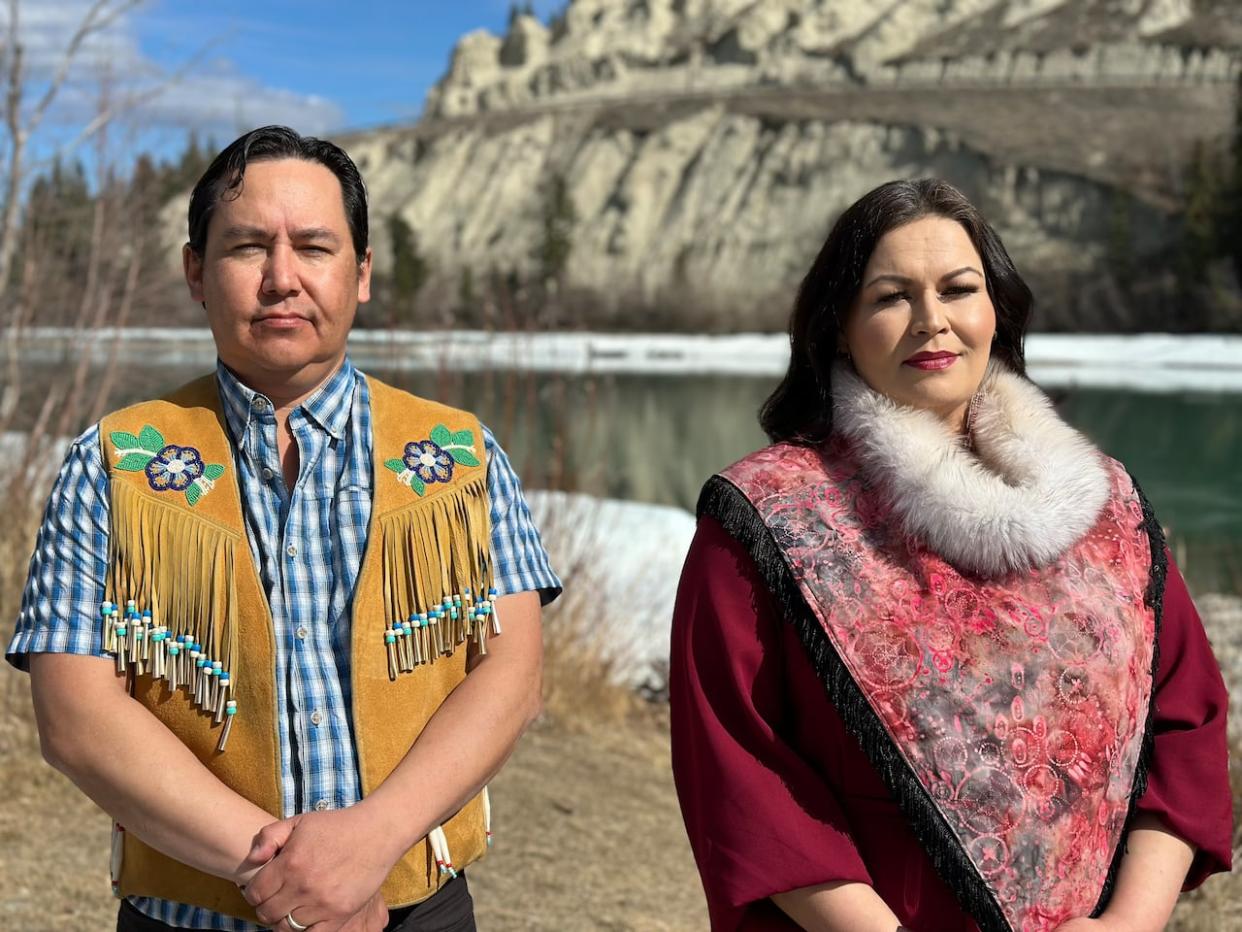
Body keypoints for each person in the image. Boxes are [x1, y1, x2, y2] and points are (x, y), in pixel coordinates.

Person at [7, 125, 561, 932]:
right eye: (245, 248)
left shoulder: (459, 457)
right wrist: (294, 876)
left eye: (314, 246)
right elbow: (75, 718)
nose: (282, 278)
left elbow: (511, 677)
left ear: (361, 274)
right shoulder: (114, 464)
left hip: (411, 908)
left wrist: (370, 844)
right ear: (196, 272)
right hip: (189, 913)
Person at [669, 179, 1231, 932]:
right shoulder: (765, 521)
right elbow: (741, 765)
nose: (931, 322)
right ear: (838, 326)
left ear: (995, 310)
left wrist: (1129, 921)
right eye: (891, 297)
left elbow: (1184, 716)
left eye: (959, 289)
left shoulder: (1104, 505)